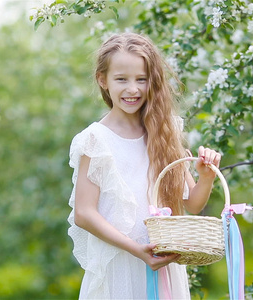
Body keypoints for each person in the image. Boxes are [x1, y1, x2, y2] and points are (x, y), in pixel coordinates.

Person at [67, 32, 222, 299]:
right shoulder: (96, 140)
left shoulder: (164, 131)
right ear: (102, 80)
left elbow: (193, 204)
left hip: (163, 266)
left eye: (142, 79)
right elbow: (84, 213)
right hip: (121, 264)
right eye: (121, 79)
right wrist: (136, 250)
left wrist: (206, 177)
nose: (133, 89)